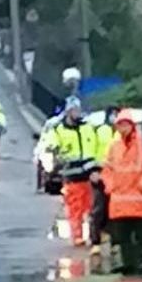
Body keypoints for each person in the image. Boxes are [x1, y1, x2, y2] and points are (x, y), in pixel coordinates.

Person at [102, 109, 142, 276]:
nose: (122, 128)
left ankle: (141, 262)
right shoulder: (114, 147)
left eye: (125, 124)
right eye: (119, 125)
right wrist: (110, 184)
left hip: (139, 199)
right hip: (120, 200)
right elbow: (107, 169)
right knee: (123, 236)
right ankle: (127, 263)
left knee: (141, 235)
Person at [41, 98, 101, 249]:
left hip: (89, 175)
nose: (77, 113)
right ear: (68, 111)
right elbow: (50, 145)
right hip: (72, 176)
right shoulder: (58, 130)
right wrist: (53, 153)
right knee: (75, 209)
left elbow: (96, 148)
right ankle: (77, 237)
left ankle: (92, 235)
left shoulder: (88, 128)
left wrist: (97, 169)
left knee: (91, 207)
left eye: (78, 110)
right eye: (74, 110)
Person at [89, 107, 116, 257]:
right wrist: (93, 171)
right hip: (100, 172)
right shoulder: (99, 131)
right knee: (98, 208)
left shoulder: (122, 134)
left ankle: (113, 240)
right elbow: (91, 150)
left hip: (117, 175)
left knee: (114, 209)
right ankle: (95, 241)